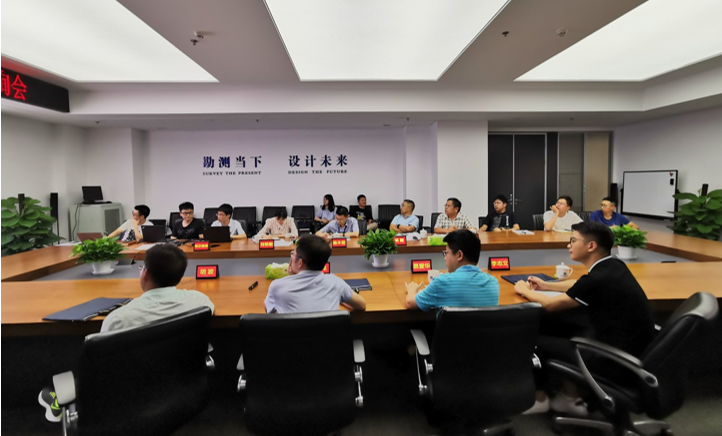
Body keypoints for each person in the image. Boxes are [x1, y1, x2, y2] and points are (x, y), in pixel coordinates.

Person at [38, 244, 214, 422]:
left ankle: (59, 400)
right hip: (180, 388)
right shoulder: (200, 302)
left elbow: (102, 365)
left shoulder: (119, 318)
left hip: (128, 401)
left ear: (145, 274)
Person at [513, 222, 655, 415]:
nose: (568, 245)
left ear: (591, 246)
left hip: (611, 358)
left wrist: (524, 290)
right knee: (564, 328)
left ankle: (539, 400)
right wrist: (547, 285)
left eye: (573, 240)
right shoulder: (613, 266)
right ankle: (569, 397)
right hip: (628, 348)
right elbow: (581, 283)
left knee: (531, 339)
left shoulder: (598, 279)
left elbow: (550, 305)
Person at [264, 235, 366, 313]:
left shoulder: (277, 286)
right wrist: (339, 297)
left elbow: (270, 312)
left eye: (293, 254)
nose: (291, 257)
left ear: (300, 263)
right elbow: (361, 305)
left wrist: (292, 277)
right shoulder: (336, 283)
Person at [405, 230, 499, 314]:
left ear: (459, 255)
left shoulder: (441, 283)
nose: (445, 258)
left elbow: (410, 303)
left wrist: (412, 290)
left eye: (446, 253)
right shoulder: (493, 283)